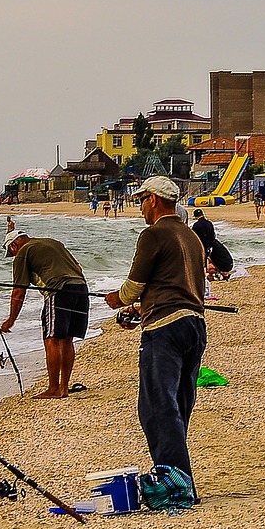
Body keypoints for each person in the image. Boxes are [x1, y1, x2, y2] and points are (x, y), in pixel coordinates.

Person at [105, 176, 206, 499]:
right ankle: (178, 476)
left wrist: (117, 300)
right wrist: (139, 311)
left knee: (156, 406)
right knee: (179, 403)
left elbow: (133, 286)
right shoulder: (191, 237)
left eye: (141, 200)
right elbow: (176, 286)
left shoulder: (153, 234)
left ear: (154, 199)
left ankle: (176, 482)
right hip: (194, 325)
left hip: (165, 330)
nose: (140, 207)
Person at [0, 227, 89, 399]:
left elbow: (19, 290)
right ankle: (63, 388)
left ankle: (54, 388)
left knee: (52, 339)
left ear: (13, 246)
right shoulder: (53, 242)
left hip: (58, 291)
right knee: (67, 339)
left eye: (11, 252)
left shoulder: (22, 253)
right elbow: (78, 267)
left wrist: (11, 320)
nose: (13, 256)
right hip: (81, 288)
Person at [191, 208, 233, 279]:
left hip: (201, 246)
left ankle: (205, 275)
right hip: (210, 246)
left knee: (203, 262)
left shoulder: (196, 225)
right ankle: (213, 274)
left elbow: (194, 237)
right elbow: (213, 235)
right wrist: (210, 245)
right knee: (211, 260)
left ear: (196, 217)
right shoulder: (209, 223)